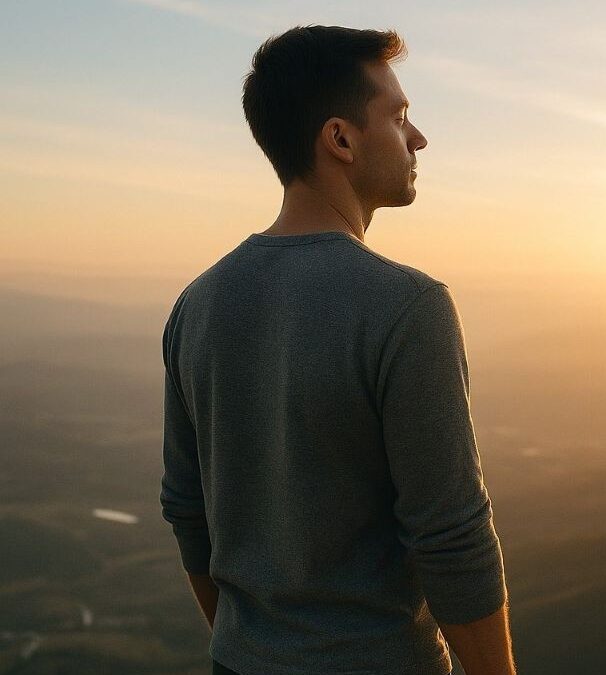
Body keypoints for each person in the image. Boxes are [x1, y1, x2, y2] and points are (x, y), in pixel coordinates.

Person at [160, 24, 516, 675]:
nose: (417, 137)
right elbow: (450, 536)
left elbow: (187, 508)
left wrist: (255, 647)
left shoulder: (197, 303)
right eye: (400, 115)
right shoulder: (406, 305)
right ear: (341, 138)